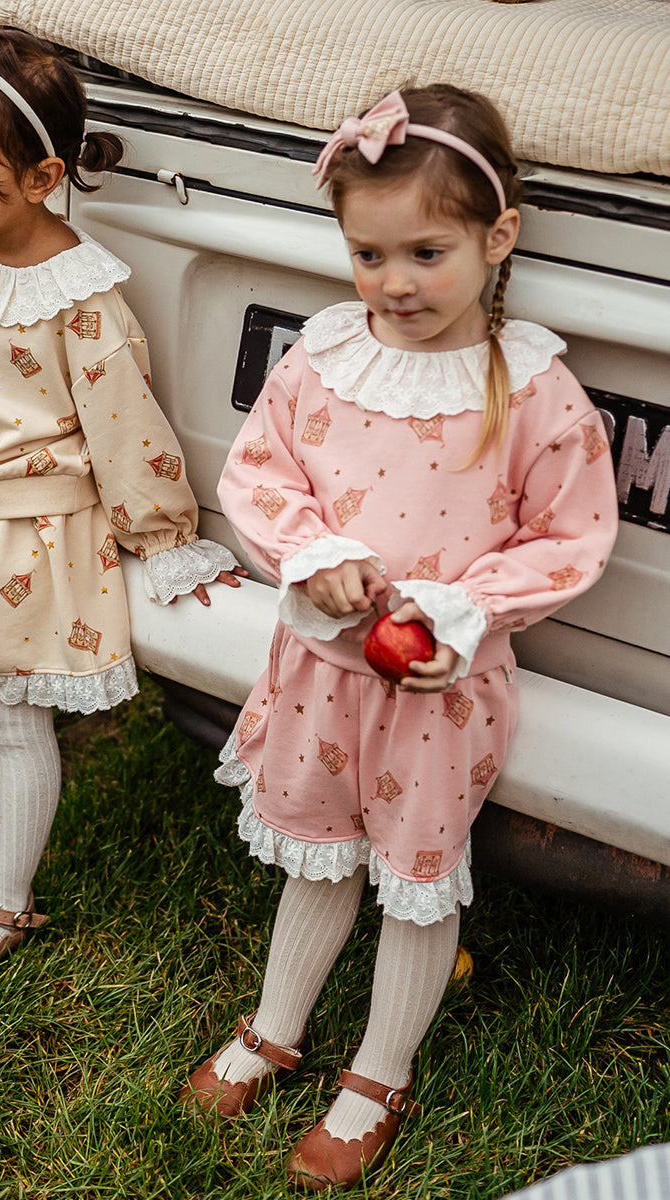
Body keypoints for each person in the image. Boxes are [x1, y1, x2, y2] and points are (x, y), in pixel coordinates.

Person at [181, 85, 619, 1190]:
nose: (394, 283)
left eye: (427, 253)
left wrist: (461, 611)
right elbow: (262, 472)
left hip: (437, 691)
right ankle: (277, 1025)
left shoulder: (531, 392)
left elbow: (570, 534)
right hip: (320, 673)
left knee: (417, 878)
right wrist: (313, 554)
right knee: (318, 853)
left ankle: (378, 1073)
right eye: (368, 255)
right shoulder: (327, 357)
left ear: (497, 237)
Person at [0, 19, 243, 999]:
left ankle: (4, 896)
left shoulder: (80, 301)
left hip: (34, 540)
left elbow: (128, 429)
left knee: (15, 717)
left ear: (41, 179)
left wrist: (162, 539)